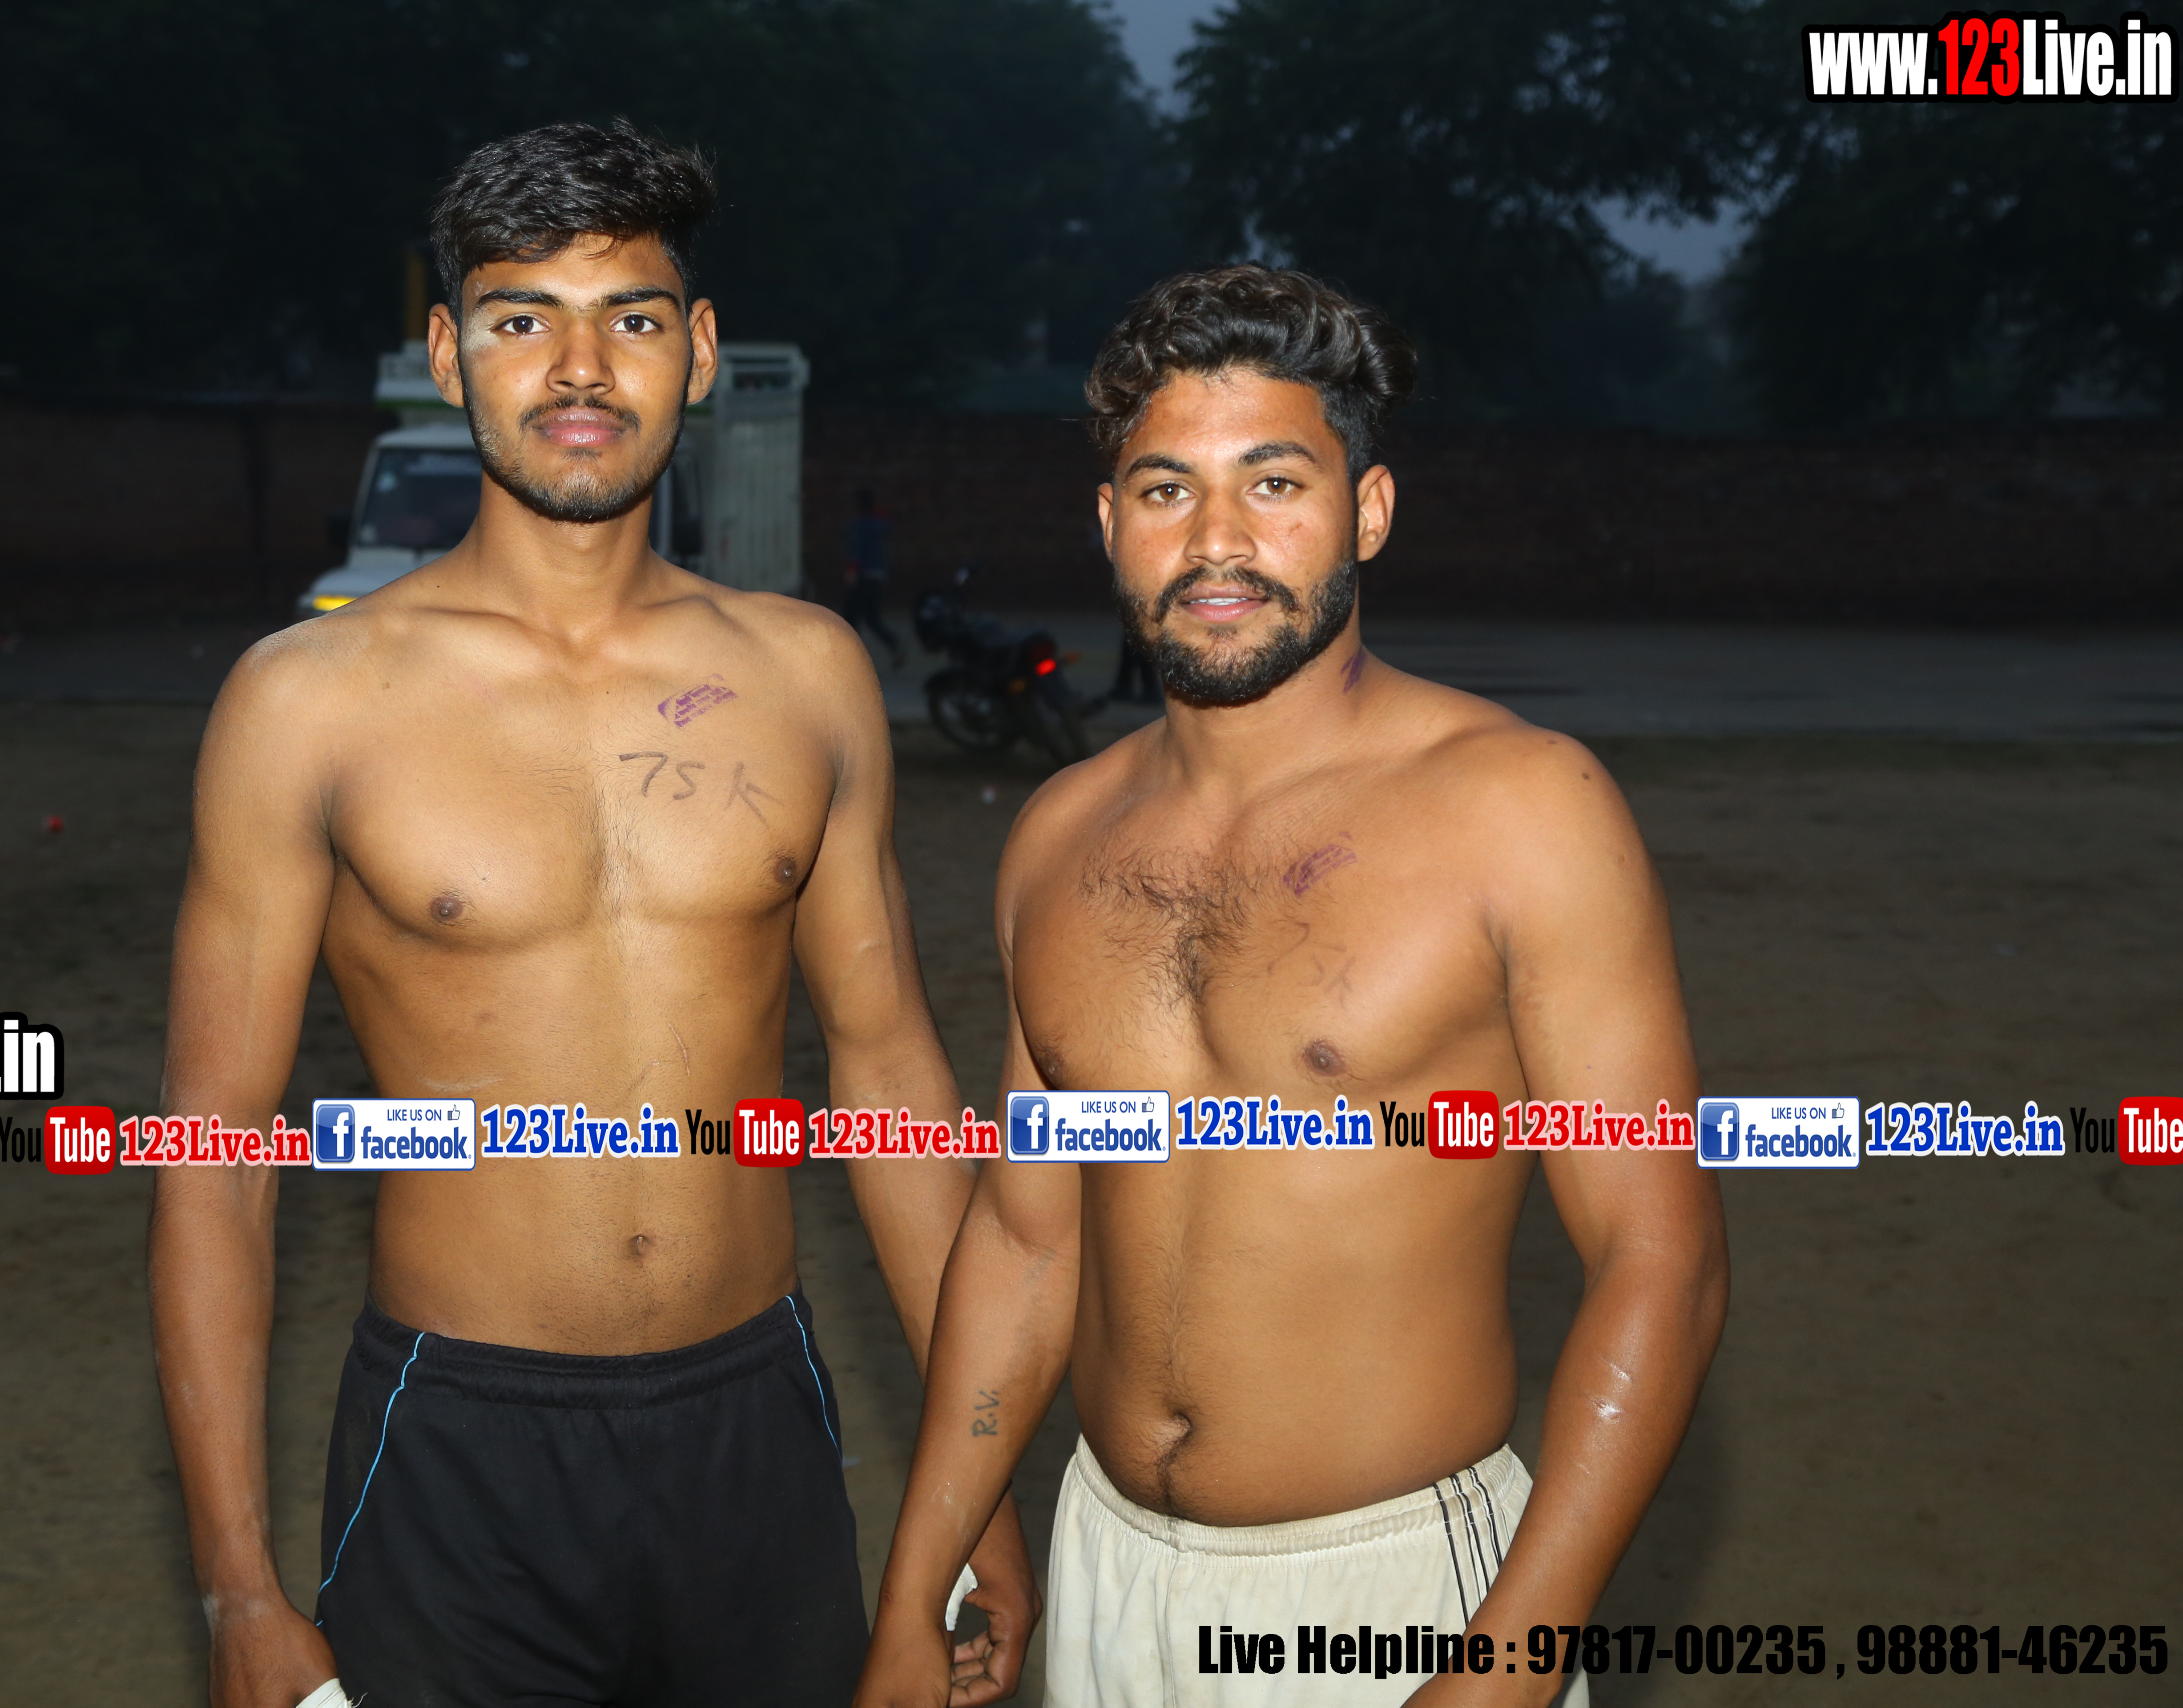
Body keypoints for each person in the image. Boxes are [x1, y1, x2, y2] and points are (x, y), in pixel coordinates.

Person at [149, 121, 1035, 1708]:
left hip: (756, 1421)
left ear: (698, 351)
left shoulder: (808, 674)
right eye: (521, 318)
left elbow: (893, 1082)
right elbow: (216, 1155)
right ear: (448, 354)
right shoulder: (306, 701)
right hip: (454, 1441)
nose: (578, 368)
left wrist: (980, 1497)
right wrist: (235, 1584)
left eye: (629, 316)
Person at [854, 265, 1728, 1708]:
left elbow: (1660, 1260)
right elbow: (1026, 1239)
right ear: (1110, 524)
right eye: (1167, 491)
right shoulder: (1059, 837)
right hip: (1109, 1569)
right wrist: (918, 1581)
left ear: (1367, 510)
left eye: (1273, 483)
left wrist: (1510, 1663)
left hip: (1400, 1595)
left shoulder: (1523, 809)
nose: (1217, 540)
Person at [843, 487, 906, 670]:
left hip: (862, 576)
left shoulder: (858, 525)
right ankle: (894, 644)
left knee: (850, 619)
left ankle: (851, 658)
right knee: (872, 619)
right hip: (878, 576)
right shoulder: (881, 525)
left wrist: (851, 572)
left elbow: (855, 550)